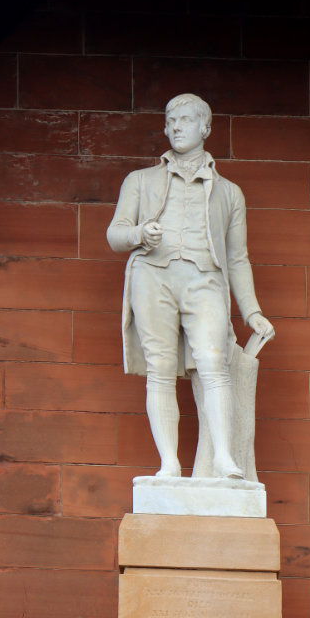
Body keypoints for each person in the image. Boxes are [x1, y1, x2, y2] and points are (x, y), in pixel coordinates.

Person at [107, 93, 274, 479]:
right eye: (170, 120)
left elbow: (236, 258)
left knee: (215, 364)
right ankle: (169, 464)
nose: (176, 127)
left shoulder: (230, 193)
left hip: (205, 279)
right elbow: (114, 234)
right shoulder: (140, 181)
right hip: (153, 276)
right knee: (160, 368)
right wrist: (137, 234)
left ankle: (223, 459)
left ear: (206, 128)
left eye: (185, 119)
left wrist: (251, 311)